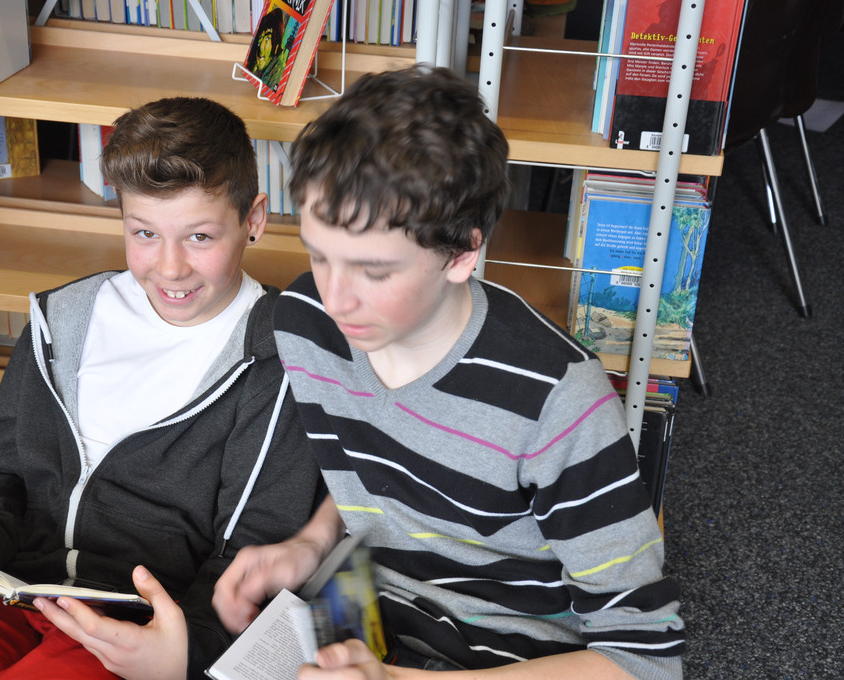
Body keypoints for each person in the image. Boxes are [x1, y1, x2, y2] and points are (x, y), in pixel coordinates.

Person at [212, 65, 685, 679]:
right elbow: (377, 472)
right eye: (319, 255)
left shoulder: (558, 399)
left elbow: (644, 660)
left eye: (374, 271)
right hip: (375, 629)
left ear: (462, 253)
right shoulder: (305, 324)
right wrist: (312, 542)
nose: (336, 297)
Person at [0, 97, 325, 680]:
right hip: (11, 585)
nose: (170, 267)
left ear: (254, 219)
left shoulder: (278, 359)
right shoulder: (63, 316)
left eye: (200, 237)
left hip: (143, 623)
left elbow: (255, 551)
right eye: (144, 232)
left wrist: (186, 654)